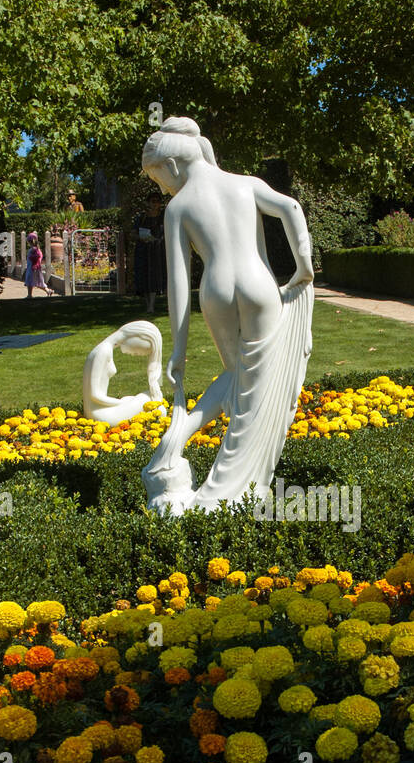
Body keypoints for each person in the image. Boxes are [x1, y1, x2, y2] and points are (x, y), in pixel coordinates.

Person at [140, 116, 314, 517]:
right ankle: (240, 483)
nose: (162, 187)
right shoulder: (244, 183)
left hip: (215, 292)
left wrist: (178, 350)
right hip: (259, 287)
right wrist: (303, 266)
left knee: (237, 376)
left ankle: (180, 437)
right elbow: (290, 207)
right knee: (251, 383)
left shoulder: (178, 207)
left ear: (173, 165)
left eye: (158, 179)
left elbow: (179, 286)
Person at [132, 189, 166, 314]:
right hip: (143, 250)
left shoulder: (163, 217)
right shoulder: (141, 217)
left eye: (157, 202)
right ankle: (148, 304)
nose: (155, 204)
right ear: (148, 202)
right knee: (144, 276)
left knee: (154, 276)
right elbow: (133, 233)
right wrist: (141, 237)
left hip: (157, 250)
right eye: (152, 201)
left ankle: (151, 305)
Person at [24, 232, 53, 298]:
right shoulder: (38, 249)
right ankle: (48, 291)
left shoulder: (32, 250)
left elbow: (34, 258)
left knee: (29, 281)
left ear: (29, 242)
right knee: (39, 282)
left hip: (32, 268)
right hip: (37, 268)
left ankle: (29, 295)